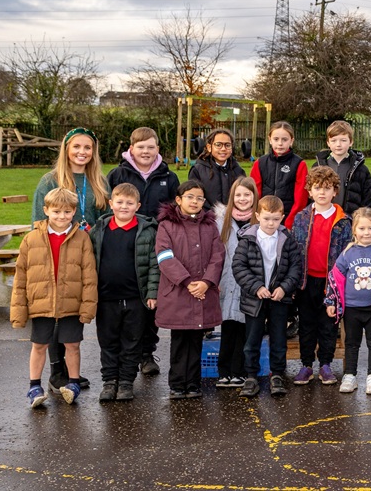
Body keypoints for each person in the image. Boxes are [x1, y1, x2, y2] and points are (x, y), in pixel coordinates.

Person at [31, 127, 109, 393]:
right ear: (66, 149)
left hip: (89, 258)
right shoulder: (50, 181)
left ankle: (71, 370)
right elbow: (38, 224)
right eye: (77, 147)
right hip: (58, 256)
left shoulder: (99, 181)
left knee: (73, 314)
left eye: (87, 148)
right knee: (56, 310)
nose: (82, 152)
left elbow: (108, 219)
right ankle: (57, 371)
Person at [11, 188, 98, 407]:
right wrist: (19, 311)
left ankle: (73, 383)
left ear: (74, 212)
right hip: (41, 303)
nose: (61, 216)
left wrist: (87, 307)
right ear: (46, 210)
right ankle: (34, 386)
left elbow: (89, 275)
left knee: (72, 344)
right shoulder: (31, 239)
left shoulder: (82, 239)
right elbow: (21, 276)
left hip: (71, 303)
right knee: (39, 345)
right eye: (56, 211)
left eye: (67, 212)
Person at [107, 127, 180, 378]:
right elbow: (109, 211)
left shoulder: (168, 177)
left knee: (151, 300)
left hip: (157, 246)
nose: (146, 151)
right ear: (131, 148)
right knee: (126, 302)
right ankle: (122, 354)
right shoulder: (117, 174)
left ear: (157, 149)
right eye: (141, 147)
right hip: (126, 245)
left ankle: (147, 354)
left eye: (151, 147)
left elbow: (175, 212)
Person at [155, 181, 226, 399]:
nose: (194, 202)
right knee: (179, 340)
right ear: (179, 200)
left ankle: (193, 383)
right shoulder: (166, 225)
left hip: (203, 291)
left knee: (196, 339)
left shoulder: (209, 226)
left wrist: (206, 282)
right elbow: (165, 257)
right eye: (190, 197)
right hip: (179, 292)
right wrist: (187, 282)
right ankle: (177, 384)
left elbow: (218, 255)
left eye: (199, 198)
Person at [88, 182, 159, 401]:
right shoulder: (99, 230)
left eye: (129, 203)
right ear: (111, 204)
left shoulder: (146, 232)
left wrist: (152, 293)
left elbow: (154, 265)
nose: (124, 207)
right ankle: (110, 381)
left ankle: (127, 382)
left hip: (135, 298)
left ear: (137, 206)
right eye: (119, 202)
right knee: (108, 341)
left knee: (132, 341)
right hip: (106, 297)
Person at [232, 195, 302, 398]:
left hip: (279, 298)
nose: (271, 223)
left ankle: (277, 374)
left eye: (275, 219)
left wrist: (284, 288)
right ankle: (251, 375)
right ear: (257, 216)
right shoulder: (247, 239)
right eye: (266, 218)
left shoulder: (287, 240)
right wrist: (256, 287)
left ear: (282, 217)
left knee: (279, 337)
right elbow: (239, 267)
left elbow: (295, 268)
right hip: (255, 298)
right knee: (252, 338)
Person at [325, 208, 371, 395]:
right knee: (351, 342)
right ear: (354, 231)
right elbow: (334, 278)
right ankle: (350, 375)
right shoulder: (347, 254)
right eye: (362, 228)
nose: (366, 232)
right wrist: (331, 301)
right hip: (351, 308)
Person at [290, 166, 351, 386]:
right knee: (307, 324)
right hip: (307, 281)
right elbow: (295, 251)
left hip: (331, 283)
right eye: (317, 188)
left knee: (328, 325)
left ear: (335, 191)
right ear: (310, 191)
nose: (322, 193)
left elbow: (347, 254)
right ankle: (306, 365)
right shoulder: (301, 217)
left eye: (327, 188)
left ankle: (326, 364)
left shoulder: (343, 220)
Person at [213, 177, 259, 388]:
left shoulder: (258, 221)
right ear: (232, 197)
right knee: (228, 326)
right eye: (238, 195)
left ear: (254, 197)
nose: (242, 199)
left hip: (249, 282)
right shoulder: (220, 220)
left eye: (247, 195)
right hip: (226, 280)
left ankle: (239, 370)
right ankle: (224, 371)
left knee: (244, 328)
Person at [251, 121, 309, 227]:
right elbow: (255, 194)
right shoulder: (260, 163)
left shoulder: (299, 164)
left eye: (285, 139)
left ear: (291, 141)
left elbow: (301, 198)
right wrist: (258, 217)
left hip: (287, 219)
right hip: (264, 219)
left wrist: (291, 221)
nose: (280, 143)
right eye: (276, 139)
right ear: (270, 140)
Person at [314, 120, 371, 213]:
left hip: (351, 220)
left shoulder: (361, 170)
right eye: (333, 140)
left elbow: (367, 199)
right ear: (328, 143)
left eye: (343, 140)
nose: (338, 144)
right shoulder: (317, 167)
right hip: (325, 220)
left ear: (351, 142)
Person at [188, 128, 246, 211]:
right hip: (206, 219)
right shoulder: (197, 170)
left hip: (233, 217)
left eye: (227, 145)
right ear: (209, 147)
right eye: (218, 145)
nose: (223, 149)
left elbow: (243, 196)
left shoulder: (238, 171)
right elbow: (194, 198)